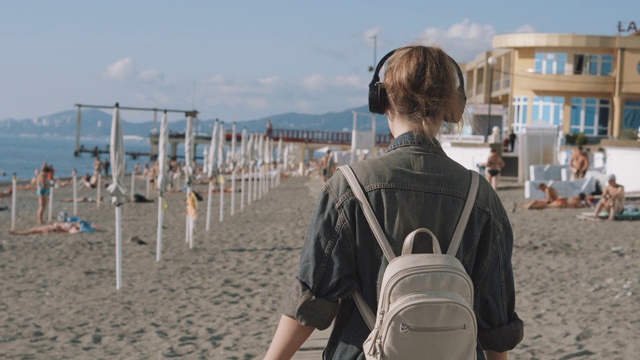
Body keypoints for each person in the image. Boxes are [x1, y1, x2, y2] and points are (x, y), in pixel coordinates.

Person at [265, 45, 522, 360]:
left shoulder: (350, 186)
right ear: (453, 108)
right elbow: (495, 320)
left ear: (382, 101)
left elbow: (314, 297)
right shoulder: (480, 196)